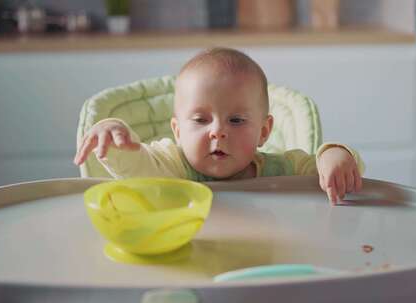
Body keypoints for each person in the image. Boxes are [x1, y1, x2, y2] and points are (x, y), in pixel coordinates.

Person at [73, 47, 364, 204]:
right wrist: (115, 138)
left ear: (264, 132)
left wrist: (336, 155)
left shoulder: (284, 168)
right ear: (177, 131)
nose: (217, 131)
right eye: (200, 120)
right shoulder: (172, 165)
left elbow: (332, 176)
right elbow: (138, 168)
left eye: (236, 120)